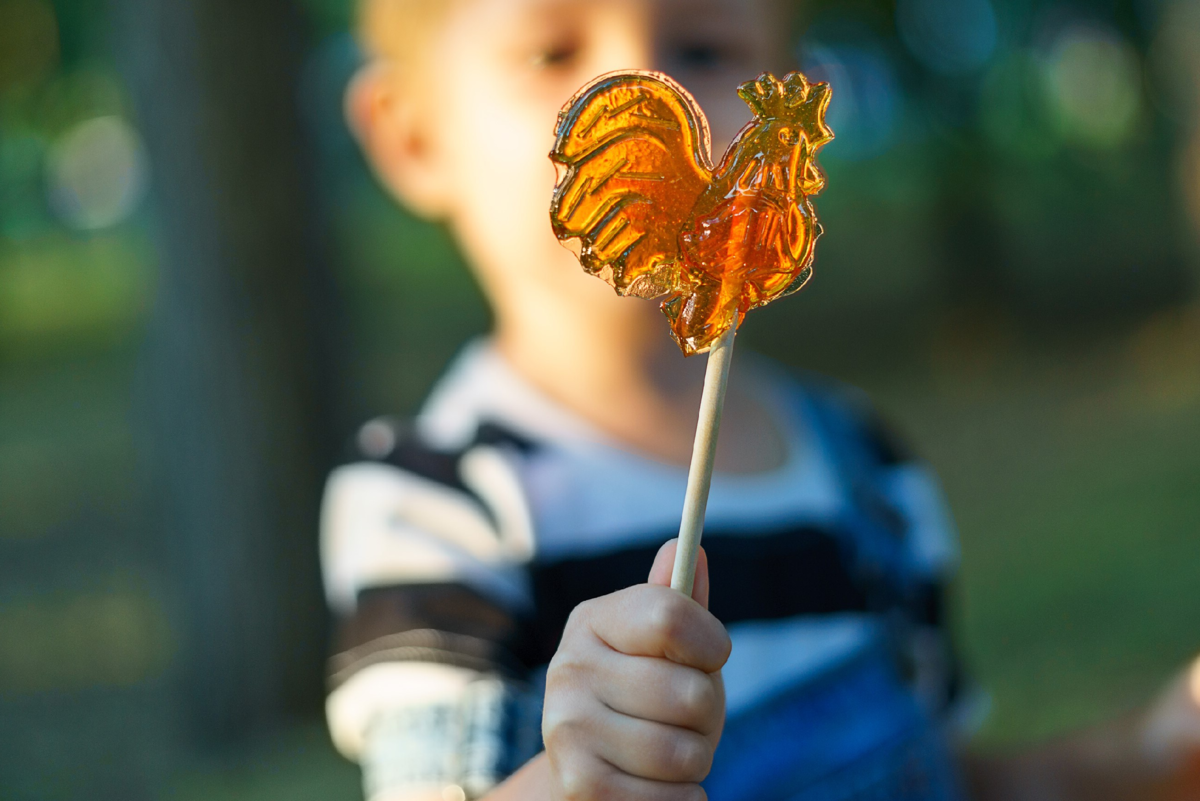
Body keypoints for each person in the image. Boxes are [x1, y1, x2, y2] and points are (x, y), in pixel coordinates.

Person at [319, 0, 1200, 799]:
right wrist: (573, 779)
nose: (647, 80)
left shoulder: (865, 466)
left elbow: (940, 776)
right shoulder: (437, 502)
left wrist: (1148, 752)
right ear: (413, 138)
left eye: (702, 45)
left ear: (803, 90)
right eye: (550, 52)